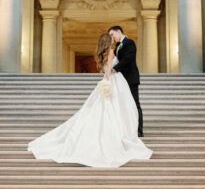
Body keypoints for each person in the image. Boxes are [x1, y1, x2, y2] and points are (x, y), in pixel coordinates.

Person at [28, 33, 151, 168]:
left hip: (110, 80)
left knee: (107, 109)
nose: (113, 39)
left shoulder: (103, 54)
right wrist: (107, 83)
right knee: (115, 109)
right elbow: (109, 71)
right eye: (111, 38)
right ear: (108, 41)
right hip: (114, 81)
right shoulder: (111, 52)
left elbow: (106, 69)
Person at [107, 25, 142, 137]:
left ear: (118, 32)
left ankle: (139, 130)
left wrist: (114, 69)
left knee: (135, 103)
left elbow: (128, 58)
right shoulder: (117, 46)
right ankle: (128, 128)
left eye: (112, 34)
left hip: (130, 78)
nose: (111, 37)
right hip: (120, 80)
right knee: (124, 104)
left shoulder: (129, 42)